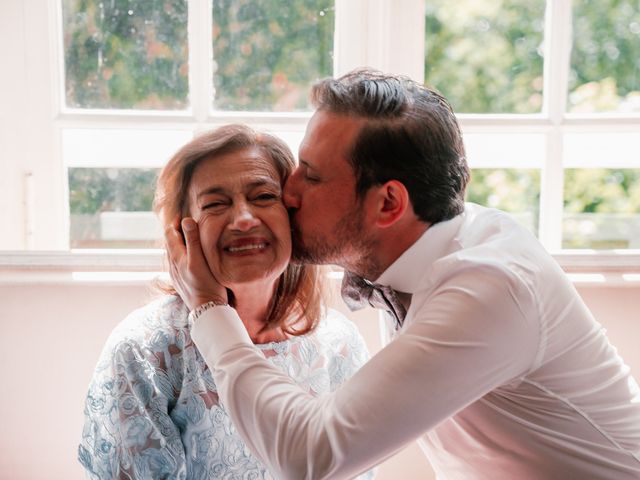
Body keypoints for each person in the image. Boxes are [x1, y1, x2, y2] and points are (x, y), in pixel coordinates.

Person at [166, 70, 640, 480]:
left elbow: (309, 458)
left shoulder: (490, 287)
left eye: (310, 176)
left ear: (388, 204)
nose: (287, 191)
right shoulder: (413, 252)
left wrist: (209, 308)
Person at [78, 125, 373, 480]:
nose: (244, 219)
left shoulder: (338, 343)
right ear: (181, 234)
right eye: (215, 204)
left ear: (294, 217)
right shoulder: (144, 352)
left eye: (264, 196)